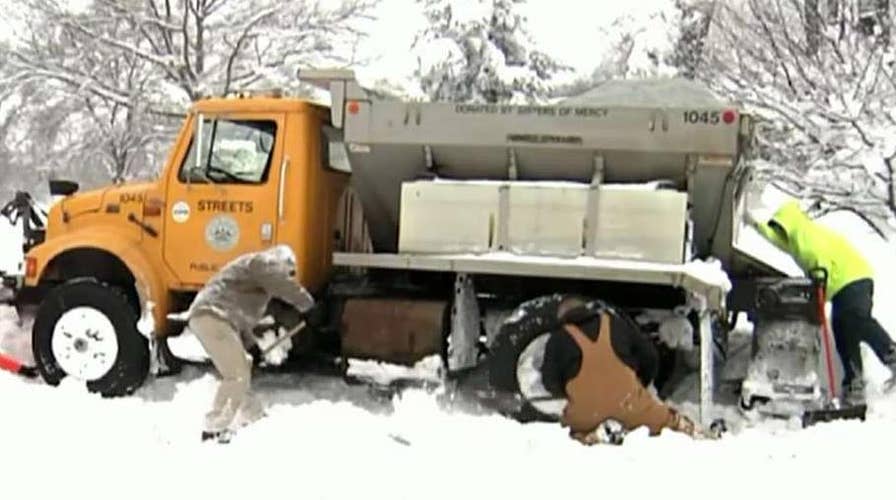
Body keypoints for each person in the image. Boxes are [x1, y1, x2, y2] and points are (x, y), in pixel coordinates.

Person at [747, 199, 896, 405]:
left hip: (854, 278)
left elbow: (820, 259)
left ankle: (891, 354)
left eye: (782, 228)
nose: (780, 233)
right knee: (843, 332)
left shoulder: (806, 235)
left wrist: (819, 285)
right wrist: (755, 224)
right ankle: (855, 383)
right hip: (842, 285)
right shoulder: (795, 240)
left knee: (857, 319)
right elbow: (778, 241)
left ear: (789, 225)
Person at [540, 296, 716, 445]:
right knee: (670, 421)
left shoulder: (557, 339)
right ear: (588, 309)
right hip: (630, 403)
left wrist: (571, 390)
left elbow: (549, 382)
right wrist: (640, 383)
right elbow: (650, 356)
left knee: (571, 435)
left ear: (562, 318)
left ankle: (591, 436)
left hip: (586, 411)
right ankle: (703, 436)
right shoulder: (614, 323)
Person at [186, 244, 316, 443]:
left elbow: (240, 317)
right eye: (289, 272)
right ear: (281, 263)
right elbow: (282, 284)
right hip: (212, 315)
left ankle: (253, 417)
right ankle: (214, 429)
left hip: (216, 317)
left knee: (242, 365)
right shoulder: (263, 263)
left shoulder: (254, 280)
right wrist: (308, 306)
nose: (290, 276)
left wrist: (251, 345)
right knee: (237, 374)